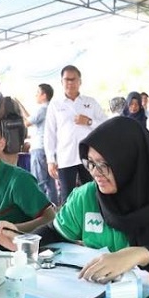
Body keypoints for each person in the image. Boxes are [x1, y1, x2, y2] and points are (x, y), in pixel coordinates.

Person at [0, 116, 149, 283]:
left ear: (131, 163)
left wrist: (137, 255)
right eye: (90, 163)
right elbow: (54, 231)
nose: (95, 173)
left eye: (104, 164)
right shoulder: (87, 196)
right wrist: (21, 241)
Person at [44, 65, 107, 204]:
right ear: (61, 82)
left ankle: (94, 222)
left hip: (88, 157)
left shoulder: (90, 102)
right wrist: (50, 160)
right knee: (67, 197)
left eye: (73, 79)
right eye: (67, 79)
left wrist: (89, 121)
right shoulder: (55, 105)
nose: (70, 83)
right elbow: (49, 133)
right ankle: (69, 225)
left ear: (80, 81)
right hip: (65, 158)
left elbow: (105, 124)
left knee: (93, 193)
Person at [26, 83, 59, 205]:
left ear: (44, 95)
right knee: (50, 183)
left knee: (39, 181)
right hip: (50, 149)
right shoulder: (52, 108)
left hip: (39, 148)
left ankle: (40, 210)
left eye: (37, 92)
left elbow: (27, 122)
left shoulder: (42, 109)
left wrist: (19, 106)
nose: (35, 95)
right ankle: (53, 209)